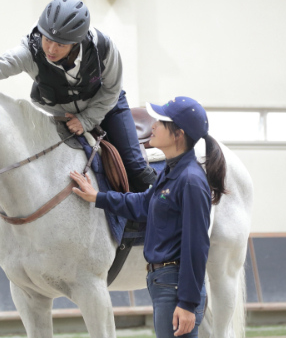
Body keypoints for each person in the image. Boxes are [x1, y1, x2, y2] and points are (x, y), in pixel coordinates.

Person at [0, 0, 156, 192]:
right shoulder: (30, 51)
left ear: (76, 42)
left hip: (107, 106)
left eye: (60, 44)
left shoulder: (103, 47)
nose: (51, 49)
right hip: (61, 114)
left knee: (134, 166)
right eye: (47, 39)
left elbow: (112, 89)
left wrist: (86, 120)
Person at [69, 96, 227, 338]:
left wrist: (186, 303)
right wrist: (97, 197)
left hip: (175, 286)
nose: (152, 125)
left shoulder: (191, 181)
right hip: (162, 282)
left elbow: (196, 247)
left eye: (161, 122)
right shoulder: (172, 172)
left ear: (178, 135)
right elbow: (143, 203)